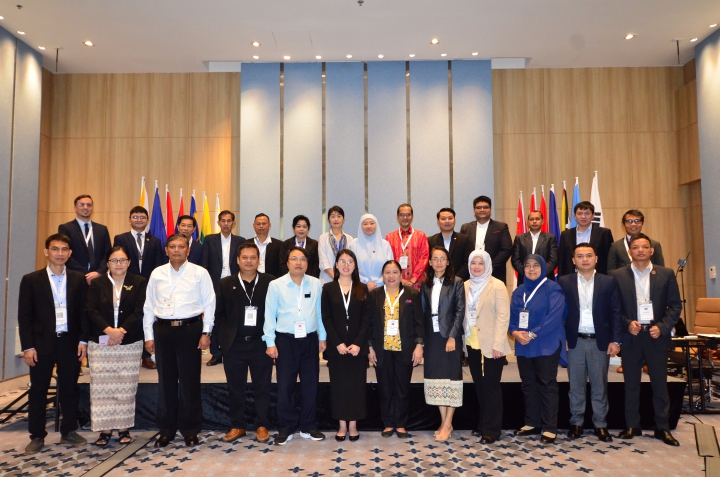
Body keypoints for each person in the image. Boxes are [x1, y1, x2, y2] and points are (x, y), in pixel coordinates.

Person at [18, 233, 89, 454]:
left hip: (70, 343)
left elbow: (83, 314)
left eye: (64, 249)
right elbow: (25, 316)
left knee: (69, 389)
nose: (60, 253)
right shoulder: (31, 279)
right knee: (38, 391)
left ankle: (69, 431)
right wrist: (28, 347)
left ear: (70, 253)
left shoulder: (78, 279)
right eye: (55, 249)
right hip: (40, 345)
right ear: (46, 252)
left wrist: (83, 340)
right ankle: (37, 435)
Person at [143, 233, 216, 448]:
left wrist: (207, 332)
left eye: (181, 246)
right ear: (166, 250)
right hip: (163, 330)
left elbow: (210, 303)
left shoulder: (200, 273)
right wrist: (149, 336)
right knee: (165, 382)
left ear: (188, 250)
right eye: (172, 246)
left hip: (190, 330)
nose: (176, 250)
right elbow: (148, 306)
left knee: (190, 382)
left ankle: (190, 430)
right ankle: (166, 430)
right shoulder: (157, 273)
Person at [611, 233, 682, 446]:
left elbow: (675, 306)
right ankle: (633, 425)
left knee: (659, 384)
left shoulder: (666, 274)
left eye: (644, 247)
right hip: (631, 336)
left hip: (655, 337)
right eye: (635, 247)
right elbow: (614, 308)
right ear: (630, 251)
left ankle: (663, 428)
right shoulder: (617, 275)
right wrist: (626, 323)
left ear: (651, 251)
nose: (640, 250)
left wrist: (662, 327)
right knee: (631, 384)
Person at [558, 243, 622, 442]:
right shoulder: (564, 281)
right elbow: (558, 314)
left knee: (599, 385)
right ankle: (576, 423)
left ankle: (600, 424)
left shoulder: (609, 282)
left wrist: (616, 340)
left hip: (599, 342)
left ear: (596, 259)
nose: (584, 259)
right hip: (574, 341)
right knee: (575, 385)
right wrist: (562, 340)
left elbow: (616, 313)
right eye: (580, 256)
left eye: (588, 255)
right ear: (573, 260)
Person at [263, 247, 327, 445]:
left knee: (310, 386)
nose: (298, 262)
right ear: (288, 263)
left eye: (302, 259)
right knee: (285, 386)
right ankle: (286, 427)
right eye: (294, 259)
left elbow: (319, 313)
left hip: (309, 340)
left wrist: (322, 337)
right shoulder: (276, 285)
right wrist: (270, 342)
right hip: (285, 341)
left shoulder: (316, 283)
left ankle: (309, 425)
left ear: (307, 263)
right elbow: (269, 313)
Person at [85, 246, 147, 446]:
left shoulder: (139, 282)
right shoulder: (97, 283)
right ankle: (104, 430)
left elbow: (139, 311)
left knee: (125, 387)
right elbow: (91, 310)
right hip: (101, 342)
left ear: (129, 262)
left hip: (129, 342)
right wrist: (108, 330)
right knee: (102, 388)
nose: (118, 264)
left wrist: (120, 331)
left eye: (122, 260)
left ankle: (123, 428)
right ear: (108, 263)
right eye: (114, 260)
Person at [214, 242, 275, 443]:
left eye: (253, 257)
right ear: (238, 260)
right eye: (245, 258)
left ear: (259, 260)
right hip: (235, 345)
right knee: (235, 387)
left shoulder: (270, 283)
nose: (249, 261)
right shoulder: (225, 283)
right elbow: (219, 316)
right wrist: (219, 344)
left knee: (262, 387)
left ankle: (262, 425)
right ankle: (238, 425)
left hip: (261, 344)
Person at [509, 255, 566, 444]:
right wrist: (515, 333)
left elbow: (554, 317)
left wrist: (532, 334)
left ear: (543, 268)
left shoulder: (553, 288)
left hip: (545, 342)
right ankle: (532, 422)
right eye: (527, 266)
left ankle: (550, 427)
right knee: (528, 384)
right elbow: (512, 318)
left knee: (546, 384)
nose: (531, 269)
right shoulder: (519, 291)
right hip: (524, 344)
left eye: (535, 266)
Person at [367, 260, 424, 438]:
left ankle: (400, 423)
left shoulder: (412, 294)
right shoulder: (375, 294)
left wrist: (419, 345)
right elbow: (368, 324)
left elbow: (419, 323)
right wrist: (369, 347)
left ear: (401, 275)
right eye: (387, 272)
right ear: (382, 276)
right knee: (385, 387)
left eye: (394, 272)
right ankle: (388, 423)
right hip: (381, 348)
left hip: (405, 347)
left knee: (402, 387)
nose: (391, 276)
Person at [321, 249, 371, 442]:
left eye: (350, 261)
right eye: (342, 261)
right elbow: (326, 318)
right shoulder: (328, 289)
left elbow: (366, 320)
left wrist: (358, 343)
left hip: (357, 348)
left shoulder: (362, 288)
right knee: (339, 386)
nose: (346, 265)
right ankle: (342, 424)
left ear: (355, 265)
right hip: (337, 348)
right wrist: (338, 343)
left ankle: (354, 425)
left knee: (357, 387)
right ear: (336, 264)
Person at [462, 250, 511, 444]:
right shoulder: (465, 285)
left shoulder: (497, 285)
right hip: (472, 343)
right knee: (480, 386)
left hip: (492, 345)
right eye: (473, 263)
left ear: (487, 264)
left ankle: (492, 430)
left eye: (480, 263)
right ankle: (483, 423)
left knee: (491, 387)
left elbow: (503, 316)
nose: (476, 266)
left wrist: (498, 343)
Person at [420, 246, 465, 441]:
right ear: (430, 262)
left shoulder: (457, 283)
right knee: (437, 380)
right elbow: (422, 314)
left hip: (449, 338)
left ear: (448, 262)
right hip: (432, 338)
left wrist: (453, 336)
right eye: (435, 259)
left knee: (451, 378)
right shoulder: (425, 284)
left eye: (442, 259)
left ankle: (448, 423)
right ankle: (444, 421)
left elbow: (459, 311)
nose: (438, 262)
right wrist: (421, 342)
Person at [113, 205, 165, 370]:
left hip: (150, 285)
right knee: (130, 317)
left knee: (147, 318)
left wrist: (154, 283)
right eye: (135, 217)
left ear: (147, 220)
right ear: (130, 219)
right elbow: (118, 261)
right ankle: (127, 353)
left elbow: (159, 264)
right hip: (129, 283)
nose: (139, 219)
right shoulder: (121, 238)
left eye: (142, 217)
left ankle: (146, 356)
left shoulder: (155, 241)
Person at [201, 210, 246, 366]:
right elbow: (204, 264)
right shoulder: (209, 239)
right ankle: (216, 353)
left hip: (233, 285)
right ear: (218, 223)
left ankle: (233, 350)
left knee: (234, 318)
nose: (226, 223)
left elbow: (244, 263)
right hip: (214, 284)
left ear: (233, 223)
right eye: (223, 221)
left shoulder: (241, 240)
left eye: (229, 221)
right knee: (215, 318)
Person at [58, 194, 111, 284]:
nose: (85, 207)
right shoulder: (66, 228)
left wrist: (98, 272)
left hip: (98, 279)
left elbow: (108, 254)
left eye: (89, 205)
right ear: (75, 208)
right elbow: (65, 253)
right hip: (75, 278)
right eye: (81, 205)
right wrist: (86, 274)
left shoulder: (102, 229)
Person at [459, 195, 513, 284]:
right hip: (470, 275)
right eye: (479, 207)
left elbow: (506, 250)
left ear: (490, 210)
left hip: (494, 274)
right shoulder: (466, 227)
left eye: (485, 207)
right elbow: (461, 251)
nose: (482, 210)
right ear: (474, 211)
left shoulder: (501, 227)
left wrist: (488, 267)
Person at [558, 201, 614, 276]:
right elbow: (562, 260)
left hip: (598, 276)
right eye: (580, 213)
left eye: (587, 213)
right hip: (572, 277)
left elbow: (610, 258)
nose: (583, 216)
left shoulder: (604, 233)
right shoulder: (566, 234)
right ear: (575, 216)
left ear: (593, 215)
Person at [385, 204, 429, 291]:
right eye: (402, 215)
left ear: (412, 217)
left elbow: (424, 257)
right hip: (396, 283)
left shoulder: (421, 235)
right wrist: (399, 279)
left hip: (417, 283)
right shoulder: (389, 237)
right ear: (397, 217)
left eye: (408, 215)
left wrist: (414, 278)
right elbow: (387, 260)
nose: (405, 217)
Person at [511, 210, 558, 285]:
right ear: (527, 223)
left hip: (545, 279)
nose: (534, 221)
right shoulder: (519, 238)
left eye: (537, 219)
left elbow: (553, 260)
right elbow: (515, 260)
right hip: (525, 279)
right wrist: (527, 272)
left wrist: (540, 273)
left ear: (542, 221)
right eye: (532, 219)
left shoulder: (550, 238)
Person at [349, 214, 394, 291]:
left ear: (376, 225)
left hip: (382, 287)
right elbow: (350, 267)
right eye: (365, 224)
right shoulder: (353, 244)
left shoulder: (385, 244)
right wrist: (366, 283)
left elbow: (390, 266)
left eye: (372, 223)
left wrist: (378, 283)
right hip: (359, 287)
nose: (369, 226)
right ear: (361, 226)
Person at [427, 207, 473, 280]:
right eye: (443, 219)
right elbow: (428, 263)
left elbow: (468, 262)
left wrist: (455, 279)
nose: (447, 221)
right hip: (437, 280)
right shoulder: (430, 241)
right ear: (438, 222)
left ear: (455, 221)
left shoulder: (464, 239)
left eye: (450, 218)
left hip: (460, 281)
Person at [318, 206, 353, 284]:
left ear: (343, 219)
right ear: (328, 220)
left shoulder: (349, 239)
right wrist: (337, 278)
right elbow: (323, 262)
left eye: (339, 216)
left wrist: (343, 278)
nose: (336, 219)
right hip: (327, 280)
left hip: (346, 280)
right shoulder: (323, 238)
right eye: (333, 216)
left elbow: (351, 261)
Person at [245, 213, 282, 277]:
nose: (261, 226)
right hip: (251, 279)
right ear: (254, 226)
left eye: (264, 224)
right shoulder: (246, 244)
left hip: (272, 280)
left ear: (269, 225)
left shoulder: (279, 245)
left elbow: (281, 266)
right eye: (258, 224)